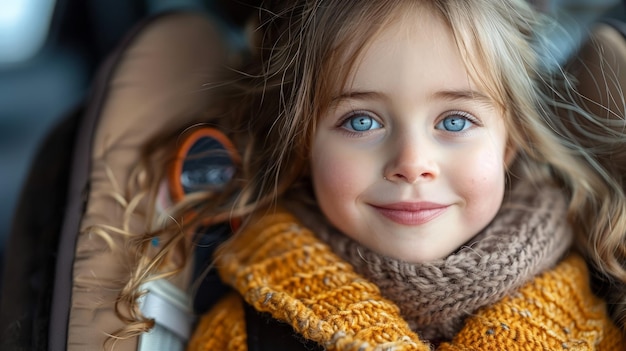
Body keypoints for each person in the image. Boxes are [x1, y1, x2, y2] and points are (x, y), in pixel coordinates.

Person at [109, 0, 626, 349]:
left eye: (454, 121)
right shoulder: (241, 331)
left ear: (509, 143)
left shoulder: (591, 324)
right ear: (304, 142)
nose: (410, 162)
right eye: (361, 120)